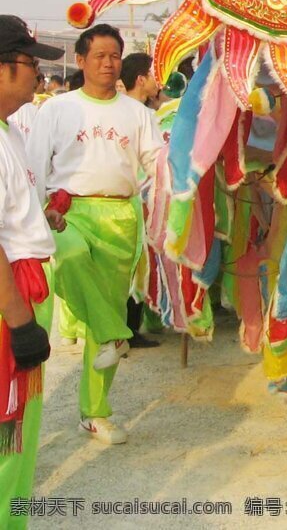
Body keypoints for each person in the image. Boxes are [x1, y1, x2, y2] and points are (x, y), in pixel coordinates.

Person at [27, 25, 162, 445]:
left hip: (120, 216)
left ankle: (95, 412)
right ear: (81, 60)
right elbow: (35, 162)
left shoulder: (138, 113)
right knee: (68, 259)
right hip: (68, 212)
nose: (108, 62)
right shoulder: (57, 109)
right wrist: (39, 210)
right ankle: (114, 332)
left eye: (115, 55)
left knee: (105, 312)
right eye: (99, 55)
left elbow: (157, 162)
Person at [0, 17, 58, 524]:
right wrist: (19, 322)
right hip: (9, 295)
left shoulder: (9, 134)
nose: (38, 77)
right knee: (9, 422)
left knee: (21, 426)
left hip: (26, 281)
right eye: (30, 64)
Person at [117, 53, 163, 352]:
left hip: (132, 196)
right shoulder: (139, 115)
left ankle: (127, 327)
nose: (158, 81)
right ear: (141, 79)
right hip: (138, 197)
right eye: (154, 74)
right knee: (134, 265)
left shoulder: (131, 111)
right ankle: (128, 329)